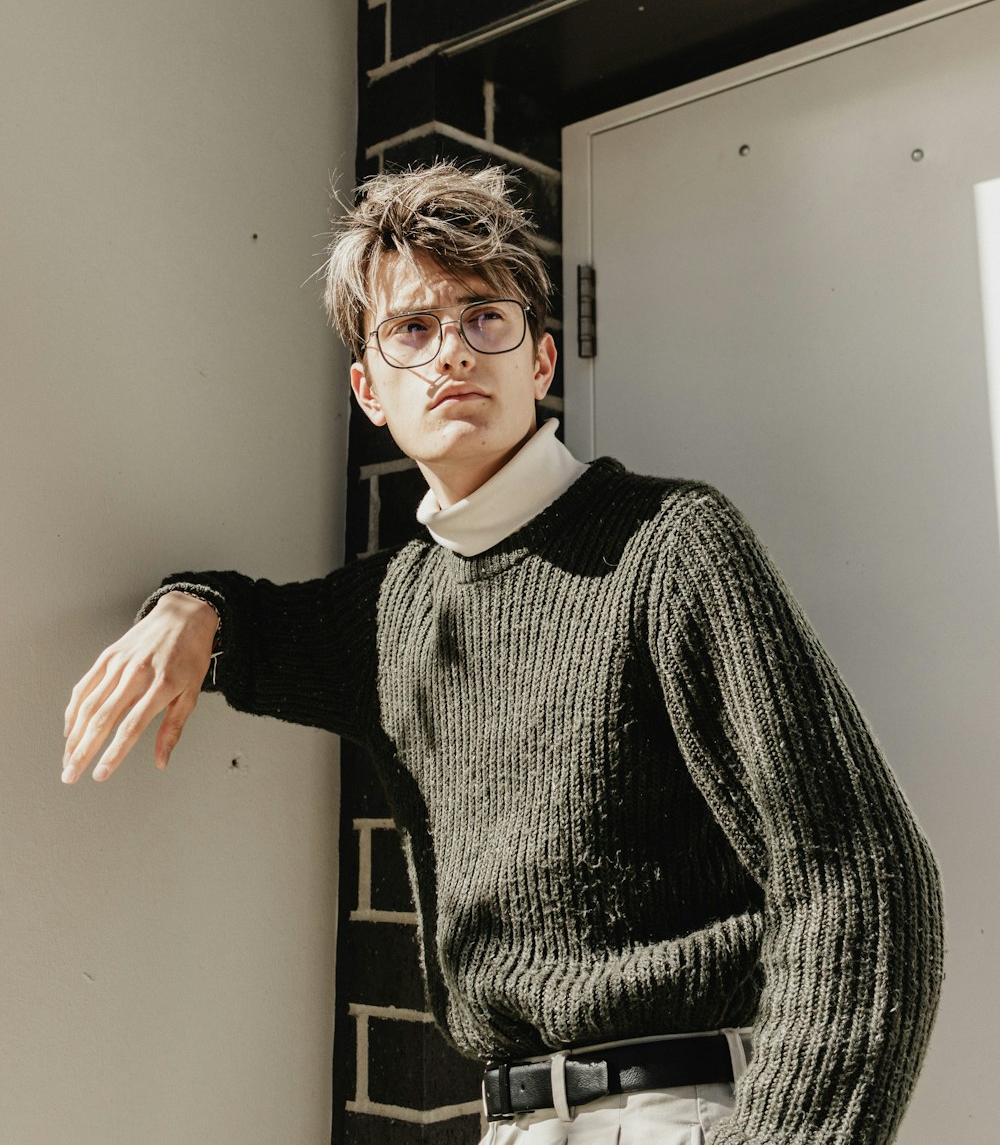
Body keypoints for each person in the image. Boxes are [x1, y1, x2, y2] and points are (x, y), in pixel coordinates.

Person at [62, 162, 944, 1145]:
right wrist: (187, 609)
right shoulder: (393, 610)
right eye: (412, 328)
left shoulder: (671, 547)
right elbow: (253, 626)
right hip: (513, 1125)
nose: (453, 352)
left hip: (682, 1114)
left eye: (486, 318)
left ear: (540, 362)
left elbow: (857, 875)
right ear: (368, 390)